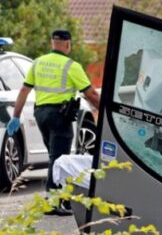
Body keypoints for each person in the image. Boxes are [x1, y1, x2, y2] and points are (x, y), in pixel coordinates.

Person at [5, 29, 100, 216]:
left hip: (40, 115)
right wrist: (106, 112)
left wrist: (16, 116)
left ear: (52, 43)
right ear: (67, 44)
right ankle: (53, 202)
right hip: (59, 116)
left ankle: (60, 199)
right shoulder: (71, 66)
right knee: (59, 159)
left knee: (54, 157)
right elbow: (91, 94)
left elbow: (24, 91)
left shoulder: (38, 63)